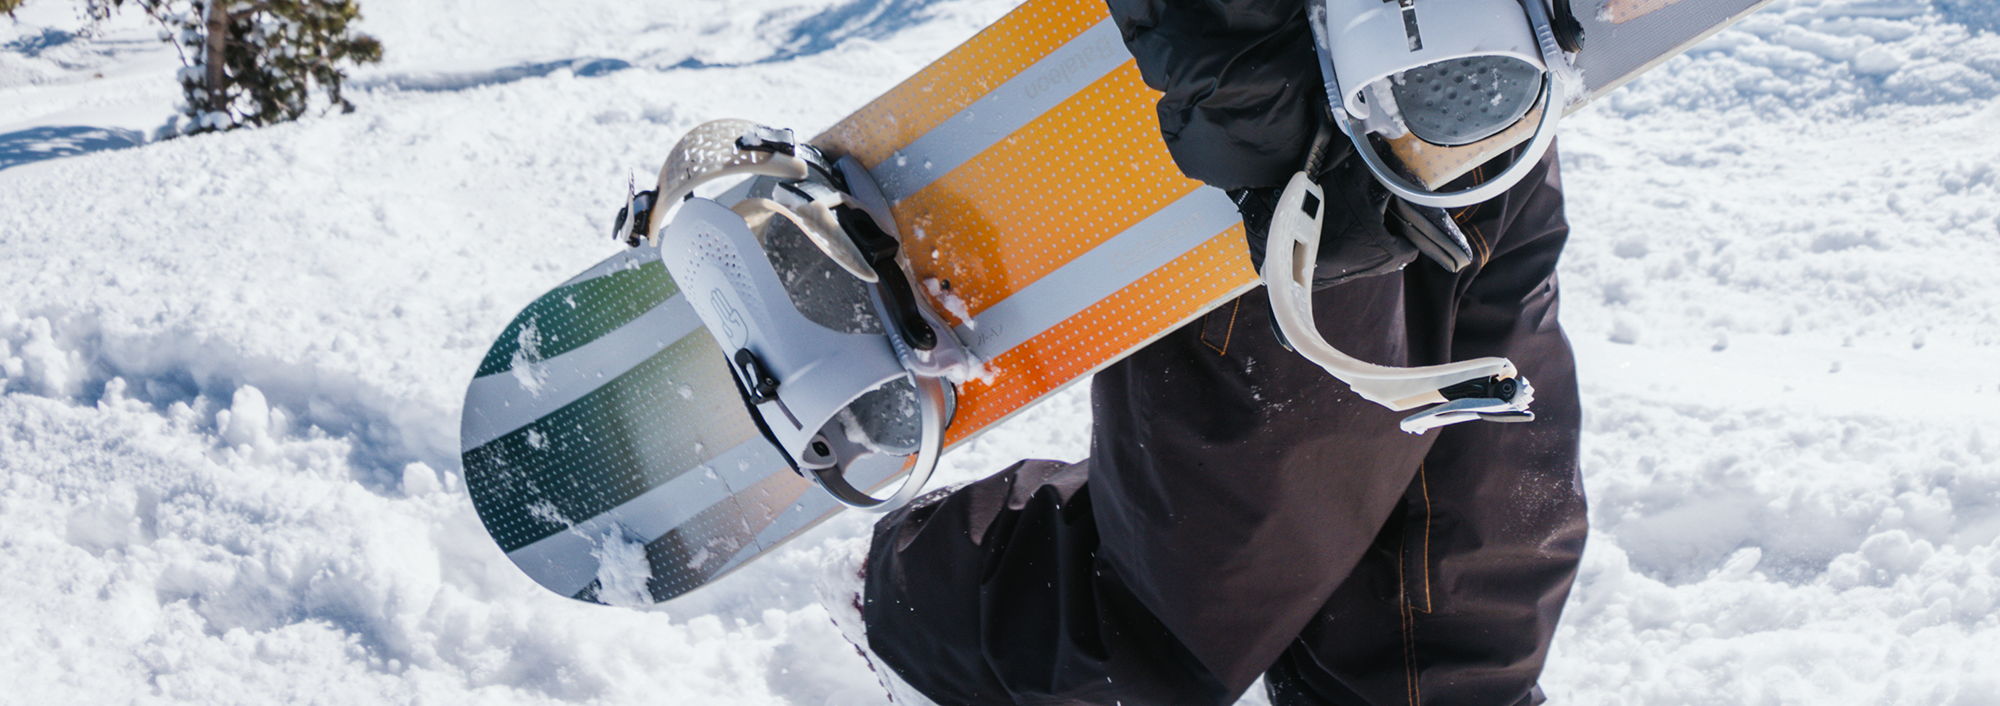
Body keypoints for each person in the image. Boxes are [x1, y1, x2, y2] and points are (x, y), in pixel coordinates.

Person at [841, 1, 1588, 703]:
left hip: (1499, 58)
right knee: (1237, 515)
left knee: (1482, 485)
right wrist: (1243, 87)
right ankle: (951, 610)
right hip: (1277, 88)